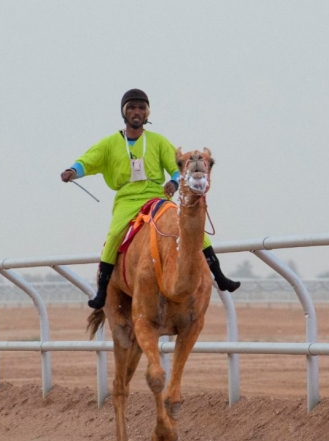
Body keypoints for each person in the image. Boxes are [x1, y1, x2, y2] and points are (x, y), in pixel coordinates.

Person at [60, 88, 240, 309]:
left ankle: (219, 275)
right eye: (132, 108)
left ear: (147, 113)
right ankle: (102, 291)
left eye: (141, 108)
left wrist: (174, 182)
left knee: (188, 225)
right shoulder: (109, 143)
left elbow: (178, 167)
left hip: (157, 196)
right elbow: (88, 161)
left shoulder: (158, 141)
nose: (137, 112)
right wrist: (73, 171)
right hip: (127, 199)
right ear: (124, 112)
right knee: (115, 233)